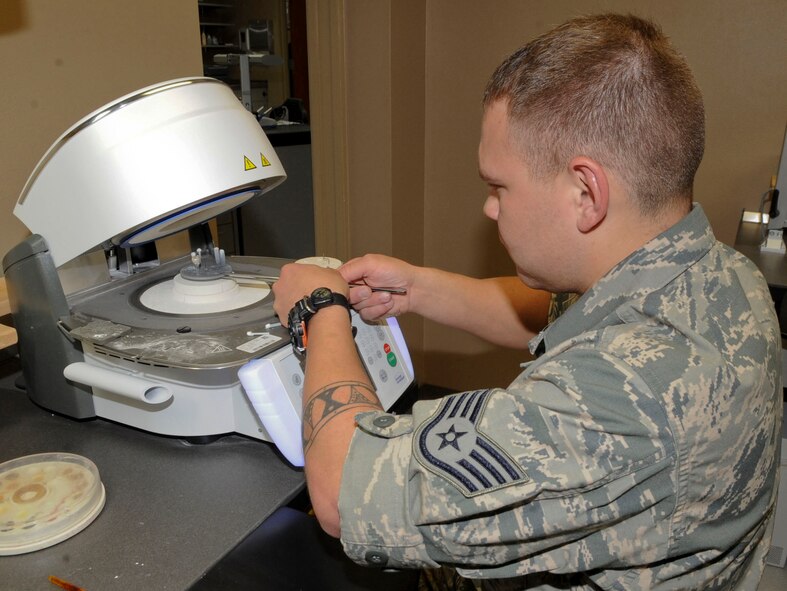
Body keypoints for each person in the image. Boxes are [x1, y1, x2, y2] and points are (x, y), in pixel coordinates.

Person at [272, 13, 783, 590]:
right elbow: (561, 315)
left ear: (585, 192)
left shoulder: (622, 399)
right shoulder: (722, 274)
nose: (490, 209)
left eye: (499, 187)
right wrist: (417, 288)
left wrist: (319, 308)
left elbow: (344, 491)